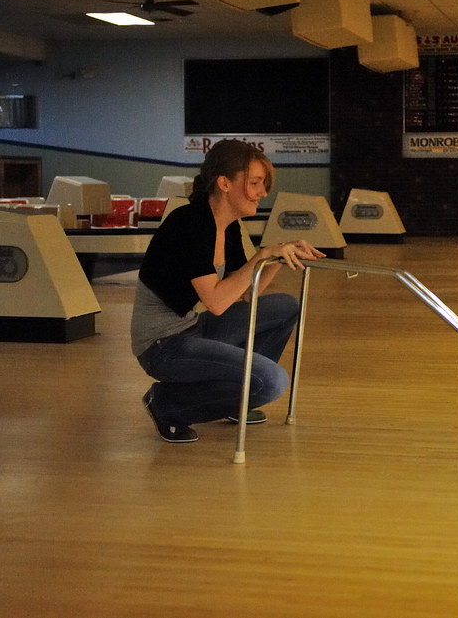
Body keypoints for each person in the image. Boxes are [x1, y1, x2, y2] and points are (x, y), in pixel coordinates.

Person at [130, 139, 324, 442]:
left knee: (285, 307)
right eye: (256, 183)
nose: (263, 192)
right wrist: (261, 255)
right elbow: (218, 302)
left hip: (193, 327)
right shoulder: (190, 223)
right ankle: (168, 404)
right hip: (162, 346)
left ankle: (237, 401)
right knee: (272, 382)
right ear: (224, 183)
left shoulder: (229, 225)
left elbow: (248, 294)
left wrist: (278, 258)